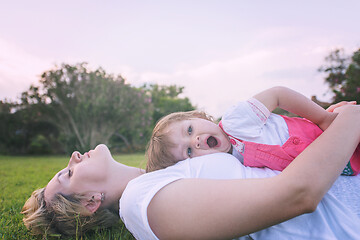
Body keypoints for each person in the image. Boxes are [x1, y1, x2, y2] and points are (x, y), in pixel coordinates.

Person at [22, 104, 360, 239]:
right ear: (90, 202)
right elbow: (297, 195)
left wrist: (323, 126)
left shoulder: (171, 169)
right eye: (67, 174)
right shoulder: (142, 202)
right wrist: (348, 122)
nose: (74, 155)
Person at [146, 86, 360, 175]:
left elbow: (278, 94)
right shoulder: (229, 167)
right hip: (338, 160)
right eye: (189, 151)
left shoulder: (235, 122)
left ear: (200, 117)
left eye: (190, 130)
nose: (196, 141)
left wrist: (324, 118)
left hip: (327, 133)